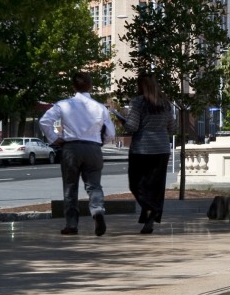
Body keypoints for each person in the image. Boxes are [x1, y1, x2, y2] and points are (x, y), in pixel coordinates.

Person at [41, 72, 115, 236]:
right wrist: (99, 142)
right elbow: (110, 133)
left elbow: (44, 121)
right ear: (91, 86)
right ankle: (97, 211)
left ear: (73, 87)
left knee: (70, 187)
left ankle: (71, 224)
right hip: (93, 148)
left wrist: (55, 138)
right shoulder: (100, 107)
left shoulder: (64, 105)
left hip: (71, 148)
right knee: (94, 185)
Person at [117, 72, 175, 233]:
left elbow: (132, 127)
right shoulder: (166, 103)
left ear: (140, 85)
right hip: (162, 148)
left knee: (136, 184)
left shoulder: (138, 103)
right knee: (156, 185)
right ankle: (151, 215)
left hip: (142, 148)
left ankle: (151, 208)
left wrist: (122, 121)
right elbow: (173, 127)